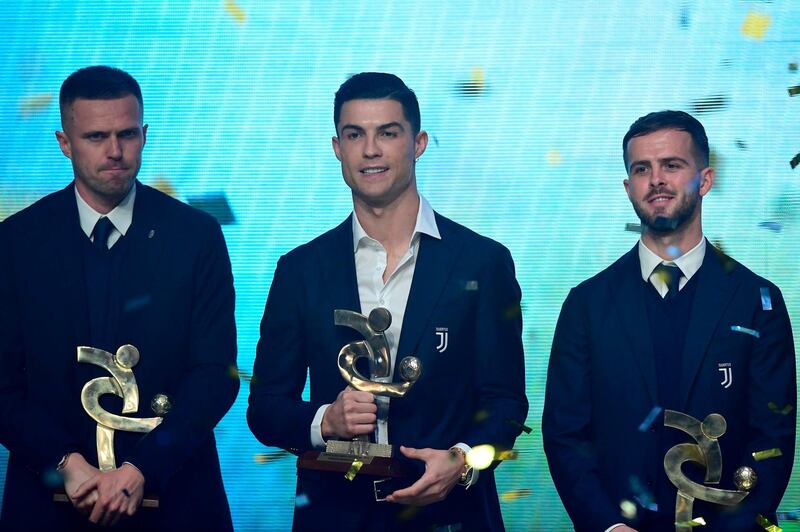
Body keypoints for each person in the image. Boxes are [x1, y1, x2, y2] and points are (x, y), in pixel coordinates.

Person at [247, 72, 528, 531]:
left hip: (450, 518)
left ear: (417, 143)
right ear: (337, 148)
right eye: (354, 134)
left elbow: (505, 404)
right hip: (333, 516)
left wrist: (463, 461)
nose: (370, 150)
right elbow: (266, 407)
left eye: (388, 133)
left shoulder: (482, 262)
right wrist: (326, 420)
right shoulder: (300, 269)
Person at [0, 66, 238, 530]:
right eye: (95, 137)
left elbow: (215, 375)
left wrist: (142, 470)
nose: (115, 151)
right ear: (64, 142)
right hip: (46, 505)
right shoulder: (15, 242)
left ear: (145, 134)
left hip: (178, 502)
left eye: (127, 134)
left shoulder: (197, 236)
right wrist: (66, 464)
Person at [542, 110, 796, 531]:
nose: (656, 179)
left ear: (706, 180)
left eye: (672, 166)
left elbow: (772, 438)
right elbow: (565, 436)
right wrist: (607, 525)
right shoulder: (585, 304)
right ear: (628, 187)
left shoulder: (758, 300)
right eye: (642, 169)